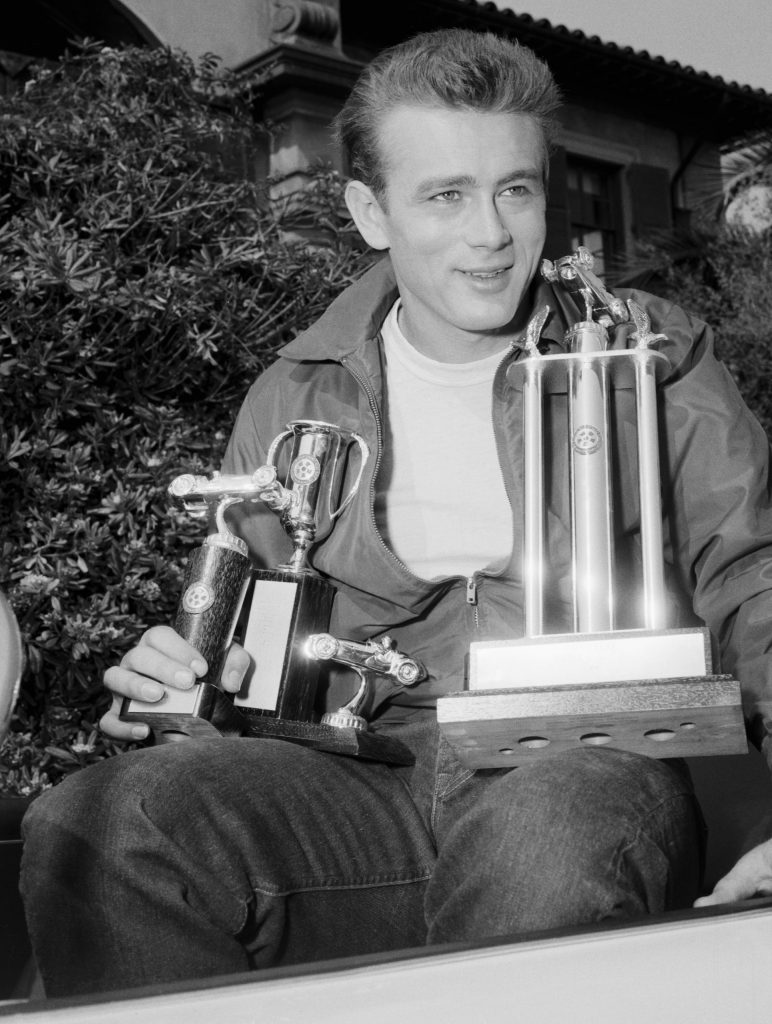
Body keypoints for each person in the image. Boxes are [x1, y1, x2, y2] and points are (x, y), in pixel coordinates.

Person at [20, 28, 772, 998]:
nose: (491, 234)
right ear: (370, 212)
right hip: (355, 773)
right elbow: (255, 656)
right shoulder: (292, 396)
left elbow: (751, 570)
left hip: (580, 756)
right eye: (445, 195)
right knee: (102, 823)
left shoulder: (650, 353)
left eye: (516, 188)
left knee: (551, 827)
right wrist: (187, 688)